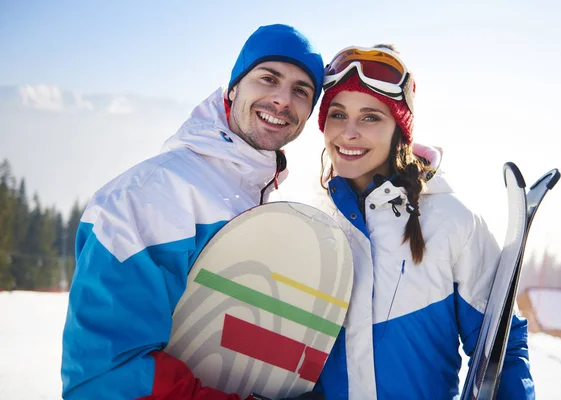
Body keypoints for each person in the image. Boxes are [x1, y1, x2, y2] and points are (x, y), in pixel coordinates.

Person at [61, 24, 325, 400]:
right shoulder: (150, 195)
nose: (282, 100)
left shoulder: (255, 200)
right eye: (268, 78)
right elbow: (106, 379)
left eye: (301, 91)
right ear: (234, 88)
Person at [312, 45, 535, 399]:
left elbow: (501, 350)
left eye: (370, 117)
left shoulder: (450, 221)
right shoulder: (314, 223)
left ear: (399, 130)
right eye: (338, 115)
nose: (348, 132)